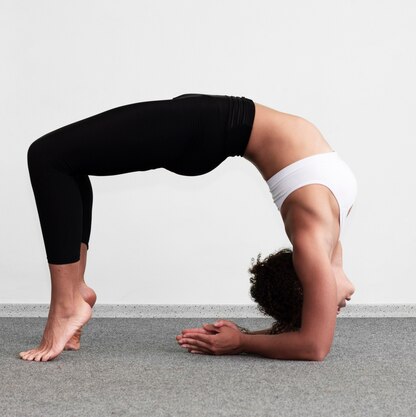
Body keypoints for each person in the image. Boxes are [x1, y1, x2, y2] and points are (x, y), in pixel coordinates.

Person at [22, 93, 357, 362]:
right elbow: (310, 336)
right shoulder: (328, 242)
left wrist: (241, 341)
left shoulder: (313, 238)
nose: (337, 307)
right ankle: (75, 291)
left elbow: (313, 346)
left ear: (308, 281)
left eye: (325, 303)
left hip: (207, 128)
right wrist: (249, 337)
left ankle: (68, 302)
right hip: (209, 126)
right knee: (66, 161)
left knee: (49, 158)